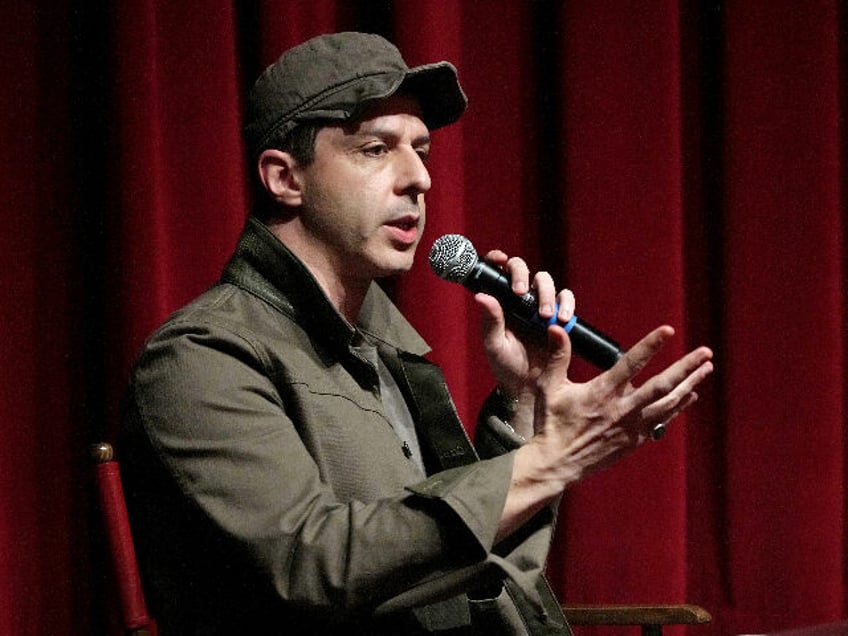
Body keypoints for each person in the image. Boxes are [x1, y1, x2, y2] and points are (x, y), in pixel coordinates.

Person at [119, 31, 714, 635]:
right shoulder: (201, 356)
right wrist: (552, 461)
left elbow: (447, 559)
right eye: (376, 149)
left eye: (422, 149)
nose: (419, 179)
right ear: (285, 178)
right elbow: (312, 564)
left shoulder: (380, 346)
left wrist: (524, 401)